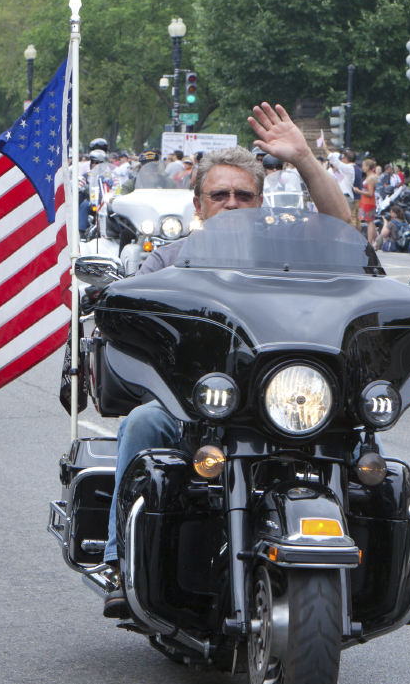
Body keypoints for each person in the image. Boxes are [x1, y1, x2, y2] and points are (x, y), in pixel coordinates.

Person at [101, 105, 353, 610]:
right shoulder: (169, 259)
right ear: (199, 203)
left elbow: (340, 225)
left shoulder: (288, 249)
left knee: (364, 448)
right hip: (198, 406)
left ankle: (372, 571)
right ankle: (118, 561)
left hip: (281, 402)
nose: (233, 204)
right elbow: (134, 311)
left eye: (244, 195)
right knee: (143, 425)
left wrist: (304, 158)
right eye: (220, 195)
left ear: (260, 201)